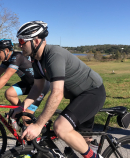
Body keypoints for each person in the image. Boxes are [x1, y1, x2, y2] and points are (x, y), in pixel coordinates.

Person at [12, 21, 106, 158]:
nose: (19, 45)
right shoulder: (36, 60)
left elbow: (57, 93)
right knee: (81, 140)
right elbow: (37, 87)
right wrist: (22, 107)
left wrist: (38, 125)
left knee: (60, 127)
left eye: (21, 41)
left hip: (92, 92)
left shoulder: (54, 55)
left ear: (36, 41)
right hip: (77, 96)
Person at [0, 38, 50, 117]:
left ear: (6, 50)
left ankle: (28, 119)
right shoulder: (7, 60)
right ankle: (20, 114)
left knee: (26, 114)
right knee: (9, 93)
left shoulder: (17, 56)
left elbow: (5, 78)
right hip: (28, 84)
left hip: (41, 86)